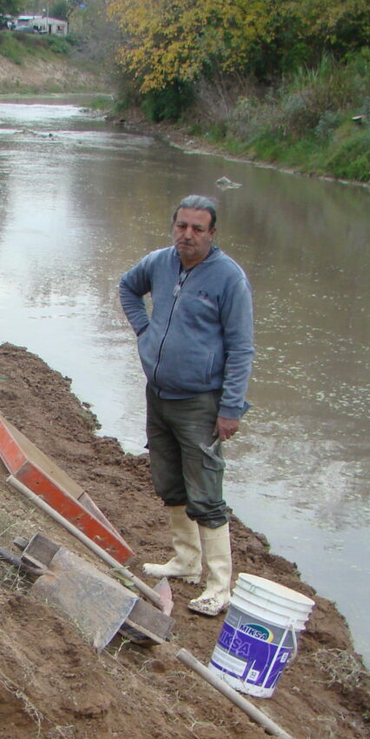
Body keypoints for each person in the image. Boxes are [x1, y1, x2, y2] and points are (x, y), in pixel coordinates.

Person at [118, 194, 254, 617]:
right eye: (181, 226)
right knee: (169, 482)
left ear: (212, 233)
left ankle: (218, 585)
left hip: (201, 402)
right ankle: (186, 560)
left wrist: (230, 409)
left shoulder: (229, 279)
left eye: (198, 229)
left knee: (206, 494)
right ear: (173, 226)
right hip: (158, 393)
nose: (187, 235)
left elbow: (241, 347)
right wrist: (145, 329)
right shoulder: (159, 262)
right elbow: (127, 287)